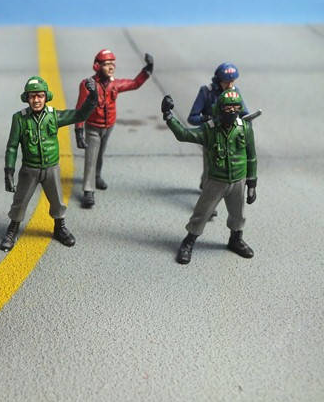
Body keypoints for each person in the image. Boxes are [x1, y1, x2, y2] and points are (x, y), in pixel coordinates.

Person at [0, 76, 97, 252]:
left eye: (40, 96)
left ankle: (60, 228)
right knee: (20, 201)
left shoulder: (54, 115)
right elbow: (12, 147)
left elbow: (80, 115)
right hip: (29, 169)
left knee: (57, 200)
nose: (36, 100)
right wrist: (9, 171)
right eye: (32, 96)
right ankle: (12, 229)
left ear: (46, 97)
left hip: (52, 168)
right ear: (26, 98)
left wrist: (92, 98)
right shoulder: (19, 119)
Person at [161, 90, 257, 265]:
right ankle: (189, 240)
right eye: (228, 108)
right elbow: (184, 134)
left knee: (238, 214)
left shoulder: (245, 128)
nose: (233, 112)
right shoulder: (210, 130)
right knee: (202, 212)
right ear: (219, 109)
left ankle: (236, 239)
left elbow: (251, 157)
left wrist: (252, 184)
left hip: (238, 179)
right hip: (216, 180)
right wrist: (168, 116)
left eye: (236, 108)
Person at [75, 49, 153, 208]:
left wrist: (147, 70)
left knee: (100, 154)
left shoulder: (114, 84)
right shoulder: (87, 85)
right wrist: (79, 131)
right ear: (97, 66)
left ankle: (97, 176)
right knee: (91, 157)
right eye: (106, 64)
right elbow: (79, 109)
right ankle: (88, 190)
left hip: (108, 126)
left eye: (112, 64)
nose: (111, 67)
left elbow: (134, 83)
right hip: (93, 127)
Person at [187, 63, 249, 188]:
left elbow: (244, 113)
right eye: (226, 82)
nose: (230, 86)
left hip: (231, 134)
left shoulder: (234, 92)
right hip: (212, 135)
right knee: (211, 165)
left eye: (232, 82)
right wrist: (208, 118)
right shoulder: (206, 92)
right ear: (219, 81)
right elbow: (192, 118)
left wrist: (246, 126)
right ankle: (207, 189)